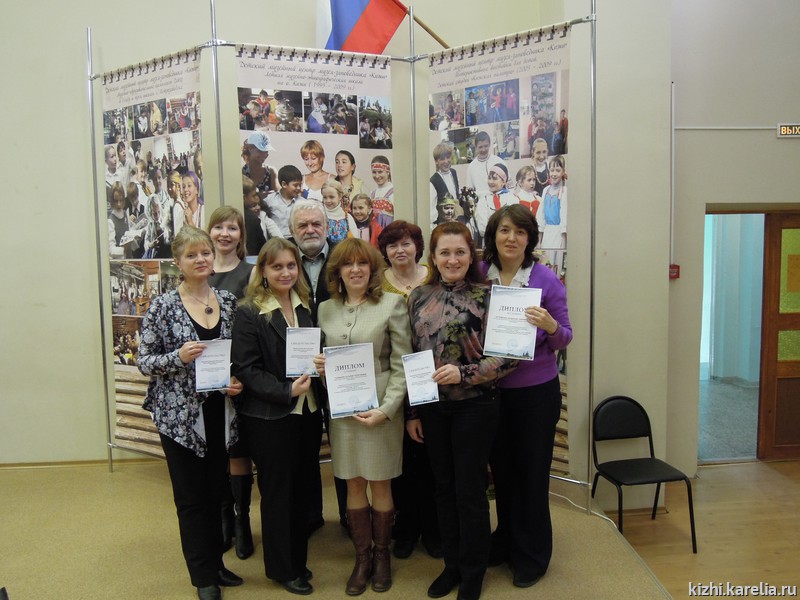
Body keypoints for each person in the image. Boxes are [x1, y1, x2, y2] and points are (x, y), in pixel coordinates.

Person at [406, 222, 517, 600]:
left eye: (459, 252)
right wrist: (413, 412)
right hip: (433, 408)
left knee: (470, 492)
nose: (452, 259)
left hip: (476, 406)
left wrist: (464, 373)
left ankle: (473, 572)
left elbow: (510, 357)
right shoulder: (419, 296)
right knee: (443, 488)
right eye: (444, 253)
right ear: (433, 258)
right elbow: (413, 355)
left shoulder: (490, 296)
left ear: (472, 256)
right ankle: (451, 565)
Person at [138, 226, 244, 600]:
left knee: (217, 492)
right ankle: (202, 576)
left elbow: (235, 356)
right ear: (178, 262)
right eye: (192, 255)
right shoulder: (162, 306)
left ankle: (216, 563)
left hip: (219, 411)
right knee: (191, 498)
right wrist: (178, 357)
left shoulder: (227, 301)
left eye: (205, 253)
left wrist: (235, 380)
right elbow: (144, 362)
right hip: (179, 418)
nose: (201, 259)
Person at [313, 239, 412, 595]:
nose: (355, 270)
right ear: (337, 271)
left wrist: (387, 409)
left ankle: (382, 556)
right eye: (347, 264)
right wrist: (321, 369)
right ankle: (362, 558)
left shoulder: (392, 304)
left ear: (372, 269)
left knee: (381, 483)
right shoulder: (325, 309)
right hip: (343, 412)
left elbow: (401, 363)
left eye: (362, 263)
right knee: (353, 483)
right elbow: (323, 361)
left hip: (381, 409)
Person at [482, 205, 572, 587]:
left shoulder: (545, 279)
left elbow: (565, 336)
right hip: (492, 393)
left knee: (531, 475)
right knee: (502, 473)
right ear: (494, 235)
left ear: (530, 238)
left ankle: (533, 554)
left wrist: (550, 326)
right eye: (505, 230)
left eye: (520, 232)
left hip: (535, 393)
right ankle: (505, 539)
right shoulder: (479, 275)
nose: (512, 238)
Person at [230, 238, 322, 596]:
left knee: (302, 489)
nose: (285, 272)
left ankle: (296, 559)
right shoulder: (249, 311)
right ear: (263, 271)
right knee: (278, 493)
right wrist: (286, 391)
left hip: (308, 412)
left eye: (291, 265)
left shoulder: (305, 306)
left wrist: (322, 364)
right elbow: (246, 369)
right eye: (277, 266)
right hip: (270, 416)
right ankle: (283, 568)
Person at [376, 222, 441, 561]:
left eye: (406, 243)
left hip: (434, 377)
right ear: (384, 252)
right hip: (396, 380)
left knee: (431, 458)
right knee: (401, 460)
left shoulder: (435, 276)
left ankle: (433, 529)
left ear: (418, 246)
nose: (400, 250)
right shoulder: (378, 283)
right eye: (392, 246)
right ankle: (405, 529)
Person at [206, 206, 256, 559]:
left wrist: (238, 371)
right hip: (207, 376)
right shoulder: (199, 269)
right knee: (215, 451)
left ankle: (242, 521)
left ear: (241, 235)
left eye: (232, 228)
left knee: (239, 451)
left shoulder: (250, 274)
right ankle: (224, 516)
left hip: (240, 373)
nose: (225, 234)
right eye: (219, 227)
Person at [536, 155, 567, 268]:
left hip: (558, 234)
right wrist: (539, 240)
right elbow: (541, 215)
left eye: (558, 170)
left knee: (555, 263)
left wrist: (563, 243)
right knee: (544, 262)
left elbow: (564, 215)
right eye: (552, 170)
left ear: (563, 172)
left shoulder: (564, 191)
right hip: (547, 233)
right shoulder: (546, 190)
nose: (554, 174)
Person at [474, 163, 514, 245]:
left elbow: (513, 223)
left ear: (503, 181)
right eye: (489, 178)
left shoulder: (512, 199)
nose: (490, 181)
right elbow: (482, 227)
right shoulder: (484, 200)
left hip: (508, 241)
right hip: (490, 242)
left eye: (494, 179)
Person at [243, 175, 282, 255]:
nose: (256, 198)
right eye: (253, 195)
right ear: (244, 198)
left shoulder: (262, 215)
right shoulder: (251, 220)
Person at [265, 165, 304, 238]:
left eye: (300, 185)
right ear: (284, 184)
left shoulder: (303, 203)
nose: (299, 188)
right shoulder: (270, 200)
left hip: (297, 239)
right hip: (277, 241)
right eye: (295, 185)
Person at [466, 131, 506, 197]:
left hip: (499, 200)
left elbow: (508, 186)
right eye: (480, 147)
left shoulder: (499, 161)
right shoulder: (471, 167)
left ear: (489, 144)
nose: (483, 150)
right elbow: (470, 191)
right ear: (476, 147)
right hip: (480, 201)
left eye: (486, 146)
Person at [429, 143, 460, 227]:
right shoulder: (433, 181)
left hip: (456, 220)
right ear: (436, 161)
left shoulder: (454, 173)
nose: (446, 161)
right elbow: (432, 210)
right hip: (443, 225)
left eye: (448, 157)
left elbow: (457, 197)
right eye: (442, 159)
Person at [242, 131, 279, 201]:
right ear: (250, 149)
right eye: (260, 151)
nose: (264, 155)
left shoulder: (271, 171)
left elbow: (278, 194)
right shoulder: (241, 173)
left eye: (266, 151)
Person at [321, 180, 357, 244]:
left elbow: (356, 242)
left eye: (331, 197)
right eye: (325, 197)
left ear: (340, 196)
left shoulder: (347, 218)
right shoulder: (320, 216)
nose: (328, 201)